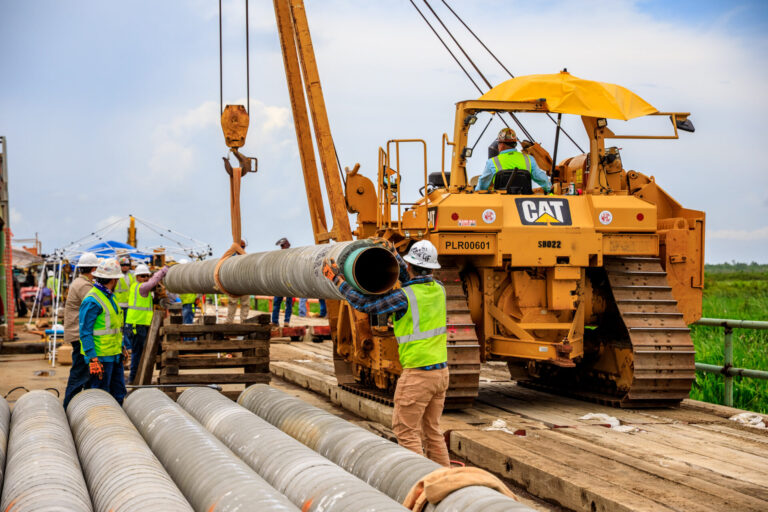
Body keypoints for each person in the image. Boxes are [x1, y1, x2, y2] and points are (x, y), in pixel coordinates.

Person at [323, 239, 450, 466]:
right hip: (441, 374)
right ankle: (446, 479)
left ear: (410, 265)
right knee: (432, 431)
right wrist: (394, 255)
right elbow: (411, 279)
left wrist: (337, 280)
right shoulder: (439, 289)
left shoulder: (404, 297)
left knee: (405, 431)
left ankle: (418, 480)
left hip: (418, 375)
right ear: (432, 268)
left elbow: (366, 305)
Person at [79, 257, 127, 404]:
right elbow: (85, 331)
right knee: (100, 397)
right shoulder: (92, 300)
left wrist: (122, 346)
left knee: (118, 393)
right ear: (113, 279)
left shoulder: (110, 297)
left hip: (114, 355)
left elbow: (115, 327)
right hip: (100, 358)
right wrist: (93, 358)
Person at [62, 252, 98, 409]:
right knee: (80, 373)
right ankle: (69, 406)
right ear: (94, 269)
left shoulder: (80, 282)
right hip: (80, 334)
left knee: (86, 373)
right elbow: (96, 305)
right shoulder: (84, 286)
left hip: (78, 333)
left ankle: (79, 406)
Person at [125, 264, 168, 384]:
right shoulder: (142, 287)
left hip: (138, 324)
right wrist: (164, 270)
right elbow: (153, 282)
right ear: (137, 277)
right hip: (137, 324)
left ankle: (137, 378)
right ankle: (133, 379)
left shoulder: (138, 287)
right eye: (142, 276)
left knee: (140, 353)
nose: (145, 278)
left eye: (147, 276)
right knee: (138, 354)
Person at [475, 128, 551, 193]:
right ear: (515, 144)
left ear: (502, 145)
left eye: (498, 143)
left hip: (501, 200)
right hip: (523, 200)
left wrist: (476, 192)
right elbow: (541, 178)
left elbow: (483, 184)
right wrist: (550, 189)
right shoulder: (529, 159)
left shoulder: (492, 162)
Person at [226, 240, 251, 323]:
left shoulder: (246, 257)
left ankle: (243, 321)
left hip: (244, 282)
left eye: (243, 247)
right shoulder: (232, 257)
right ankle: (230, 321)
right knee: (233, 302)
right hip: (234, 282)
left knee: (245, 303)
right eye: (241, 247)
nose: (242, 249)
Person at [271, 237, 294, 325]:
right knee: (278, 302)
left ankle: (286, 321)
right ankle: (275, 321)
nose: (282, 248)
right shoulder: (282, 256)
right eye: (281, 246)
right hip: (281, 282)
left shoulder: (290, 256)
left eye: (282, 246)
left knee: (287, 302)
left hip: (287, 282)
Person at [114, 256, 136, 321]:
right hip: (118, 304)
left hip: (130, 304)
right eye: (123, 265)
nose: (125, 267)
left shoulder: (132, 275)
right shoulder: (115, 275)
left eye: (127, 265)